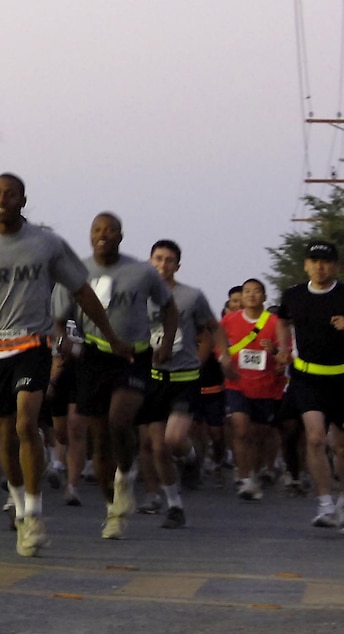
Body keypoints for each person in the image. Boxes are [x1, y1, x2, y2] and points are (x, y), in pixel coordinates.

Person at [0, 174, 121, 557]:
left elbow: (82, 291)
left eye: (10, 194)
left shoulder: (47, 244)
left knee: (27, 423)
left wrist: (109, 335)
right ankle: (20, 508)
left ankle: (37, 513)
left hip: (33, 344)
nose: (2, 199)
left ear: (23, 200)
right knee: (6, 433)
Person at [66, 213, 176, 540]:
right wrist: (62, 344)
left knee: (119, 419)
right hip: (92, 357)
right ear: (89, 235)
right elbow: (60, 318)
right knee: (99, 441)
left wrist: (167, 342)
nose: (104, 235)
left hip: (133, 356)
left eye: (110, 230)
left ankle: (126, 474)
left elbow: (169, 309)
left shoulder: (141, 271)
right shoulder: (77, 272)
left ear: (121, 236)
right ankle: (113, 509)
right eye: (97, 230)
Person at [138, 239, 226, 529]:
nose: (163, 265)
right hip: (152, 378)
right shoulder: (139, 296)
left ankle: (191, 456)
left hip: (184, 377)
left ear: (178, 266)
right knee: (157, 447)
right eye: (158, 259)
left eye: (169, 260)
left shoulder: (191, 296)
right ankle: (174, 504)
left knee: (173, 439)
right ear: (150, 261)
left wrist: (223, 355)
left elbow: (213, 326)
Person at [273, 241, 344, 529]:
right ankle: (325, 503)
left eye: (325, 261)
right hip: (306, 377)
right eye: (314, 261)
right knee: (315, 438)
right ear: (305, 265)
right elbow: (282, 321)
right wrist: (283, 347)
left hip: (341, 377)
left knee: (340, 445)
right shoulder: (293, 295)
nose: (319, 266)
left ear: (335, 266)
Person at [225, 279, 287, 500]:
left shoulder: (274, 322)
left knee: (259, 436)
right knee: (241, 429)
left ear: (264, 296)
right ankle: (245, 478)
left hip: (264, 385)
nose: (251, 295)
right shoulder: (229, 320)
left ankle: (255, 472)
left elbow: (284, 356)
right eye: (247, 291)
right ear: (241, 296)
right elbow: (219, 347)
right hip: (237, 384)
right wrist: (224, 360)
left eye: (257, 291)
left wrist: (275, 351)